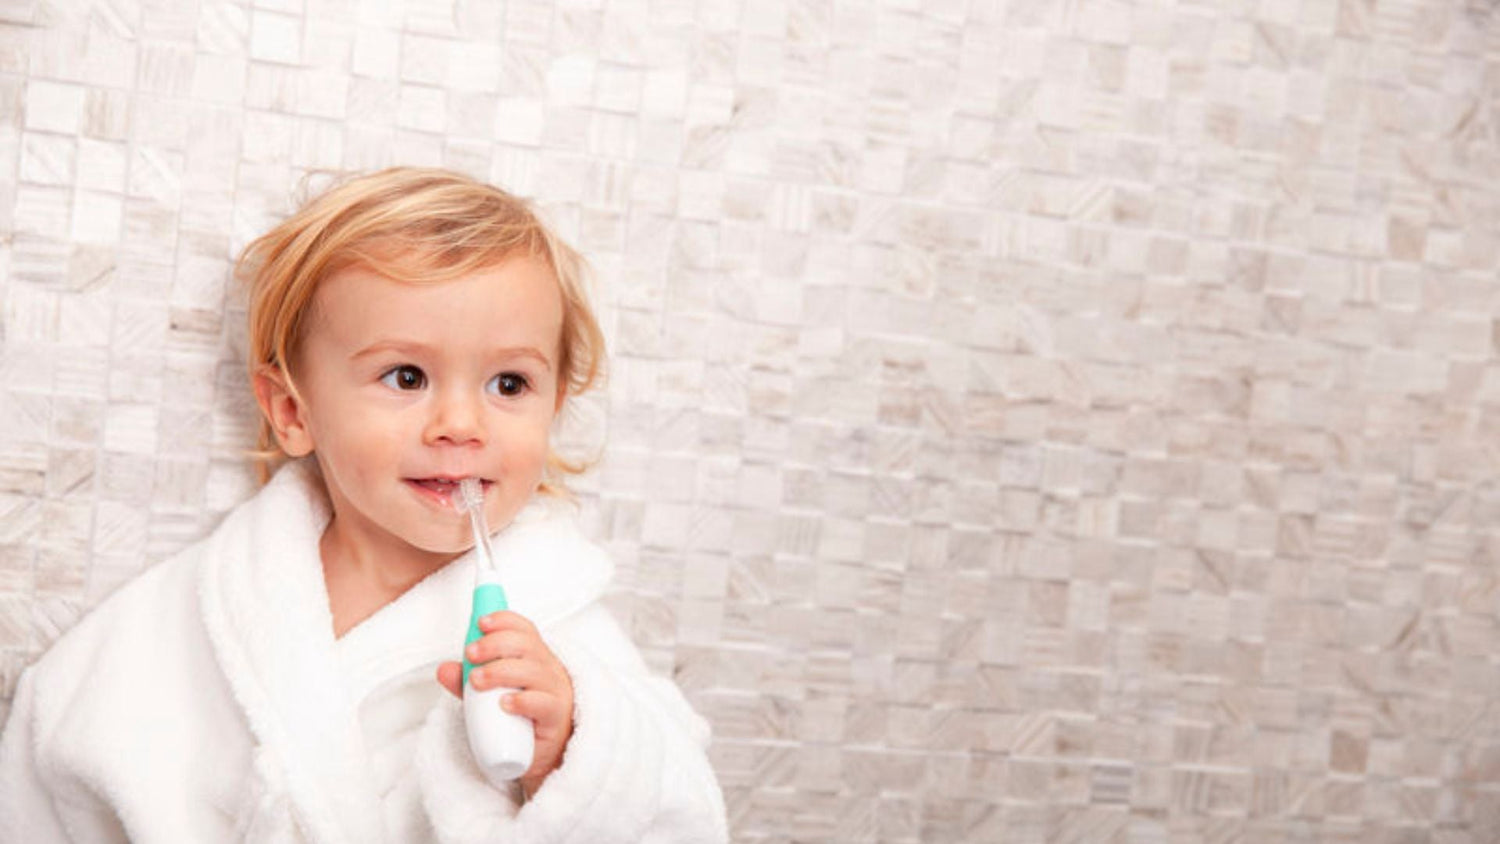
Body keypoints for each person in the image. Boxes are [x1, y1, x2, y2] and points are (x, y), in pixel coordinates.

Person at [0, 168, 729, 842]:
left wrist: (571, 749)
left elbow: (681, 807)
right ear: (293, 411)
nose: (462, 425)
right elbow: (55, 756)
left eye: (508, 385)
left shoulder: (561, 629)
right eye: (406, 375)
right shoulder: (199, 613)